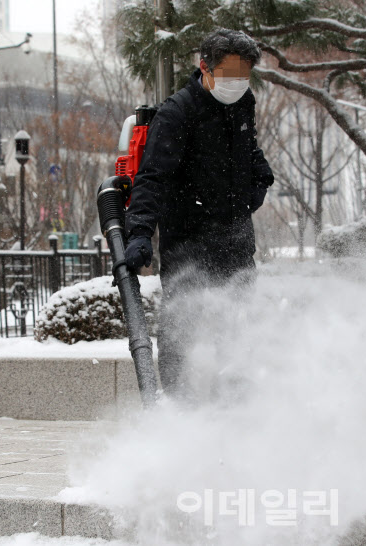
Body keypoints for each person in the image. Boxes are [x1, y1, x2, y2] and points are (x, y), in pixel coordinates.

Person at [124, 29, 274, 395]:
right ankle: (178, 405)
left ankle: (233, 403)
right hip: (189, 239)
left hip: (236, 238)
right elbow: (152, 177)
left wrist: (259, 176)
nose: (237, 83)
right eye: (228, 75)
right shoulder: (177, 113)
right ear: (204, 68)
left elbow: (246, 148)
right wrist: (140, 232)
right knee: (183, 327)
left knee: (237, 324)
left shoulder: (242, 102)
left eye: (244, 75)